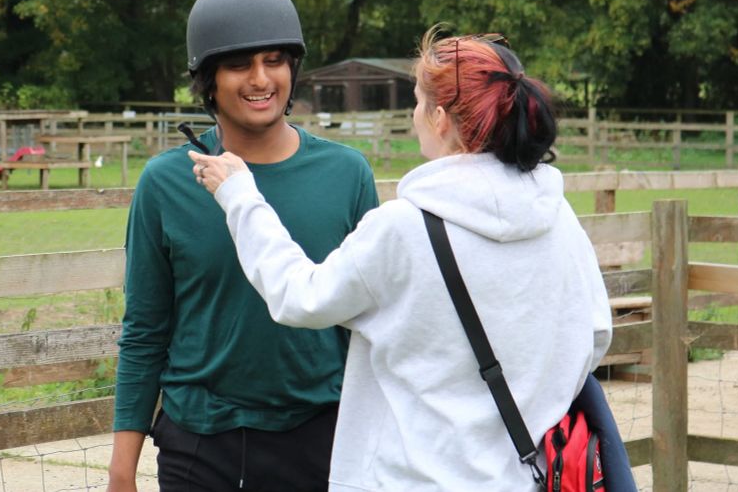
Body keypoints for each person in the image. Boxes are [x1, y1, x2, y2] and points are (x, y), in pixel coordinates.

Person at [189, 29, 614, 491]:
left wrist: (240, 197)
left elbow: (300, 297)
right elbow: (594, 334)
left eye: (416, 103)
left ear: (438, 117)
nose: (413, 116)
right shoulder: (556, 217)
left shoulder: (405, 228)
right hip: (523, 474)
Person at [107, 0, 380, 492]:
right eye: (239, 64)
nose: (260, 78)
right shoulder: (165, 183)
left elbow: (370, 324)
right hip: (200, 443)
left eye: (275, 60)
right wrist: (123, 467)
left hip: (322, 438)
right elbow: (145, 330)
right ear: (207, 79)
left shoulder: (347, 175)